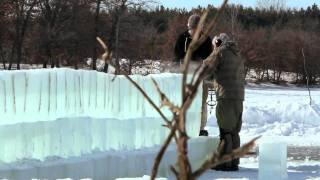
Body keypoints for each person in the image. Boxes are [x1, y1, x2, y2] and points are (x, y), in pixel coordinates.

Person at [204, 33, 245, 171]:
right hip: (239, 97)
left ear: (219, 42)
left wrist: (215, 49)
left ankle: (223, 163)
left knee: (225, 130)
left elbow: (206, 68)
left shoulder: (220, 52)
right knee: (234, 131)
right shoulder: (237, 54)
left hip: (225, 96)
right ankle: (233, 162)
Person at [174, 14, 213, 136]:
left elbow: (210, 59)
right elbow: (176, 57)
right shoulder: (182, 38)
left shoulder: (206, 39)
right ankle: (184, 126)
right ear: (189, 28)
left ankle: (200, 128)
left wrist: (209, 74)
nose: (195, 32)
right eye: (193, 29)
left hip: (201, 76)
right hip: (186, 76)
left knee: (201, 102)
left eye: (198, 28)